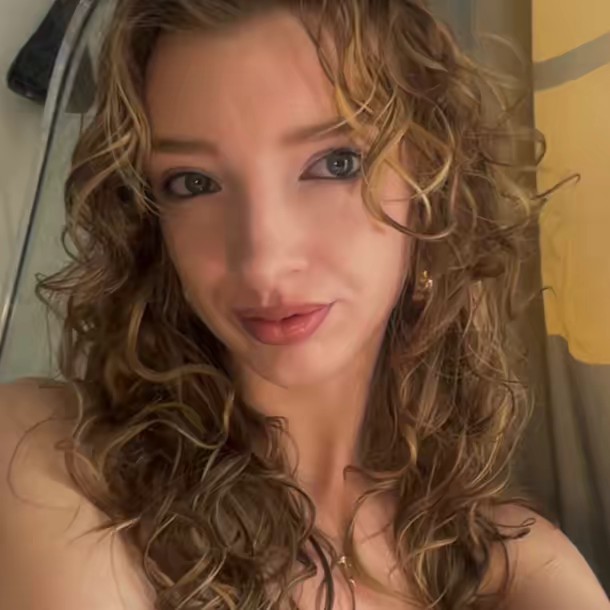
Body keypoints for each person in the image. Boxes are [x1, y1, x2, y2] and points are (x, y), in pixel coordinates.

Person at [0, 1, 608, 609]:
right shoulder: (50, 456)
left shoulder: (513, 563)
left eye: (335, 164)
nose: (262, 261)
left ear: (430, 190)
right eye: (193, 182)